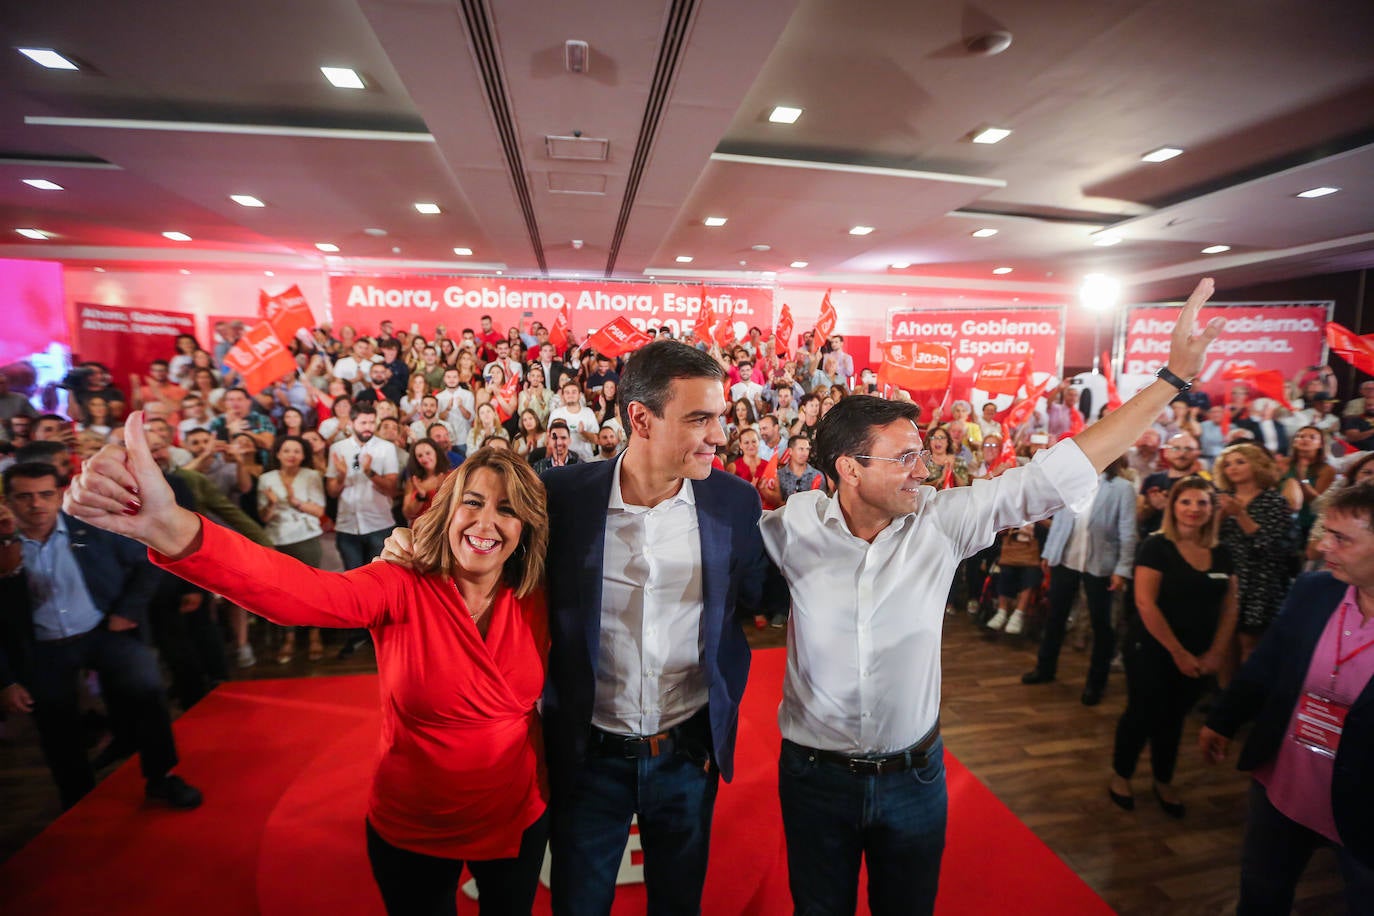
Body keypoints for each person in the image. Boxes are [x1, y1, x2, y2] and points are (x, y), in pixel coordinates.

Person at [757, 278, 1222, 915]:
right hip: (813, 778)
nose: (922, 469)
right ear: (847, 468)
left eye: (922, 454)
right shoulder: (792, 526)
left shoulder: (943, 521)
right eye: (904, 458)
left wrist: (1173, 380)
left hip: (914, 779)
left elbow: (1059, 472)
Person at [65, 426, 552, 915]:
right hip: (415, 822)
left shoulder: (541, 596)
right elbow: (301, 592)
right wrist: (169, 526)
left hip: (515, 812)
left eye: (507, 509)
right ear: (447, 509)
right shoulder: (400, 582)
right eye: (473, 502)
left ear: (525, 526)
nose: (486, 523)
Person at [386, 341, 774, 914]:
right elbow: (484, 547)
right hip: (588, 756)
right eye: (700, 418)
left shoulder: (734, 502)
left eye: (720, 417)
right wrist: (415, 551)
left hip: (689, 753)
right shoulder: (559, 497)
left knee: (679, 903)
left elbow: (757, 599)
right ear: (639, 417)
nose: (720, 435)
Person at [1200, 483, 1374, 914]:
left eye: (1341, 538)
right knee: (1261, 891)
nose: (1322, 545)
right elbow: (1268, 662)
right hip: (1285, 782)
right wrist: (1223, 719)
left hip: (1364, 806)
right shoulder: (1316, 590)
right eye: (1325, 531)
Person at [0, 462, 202, 811]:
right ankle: (76, 801)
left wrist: (128, 610)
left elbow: (146, 562)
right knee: (56, 725)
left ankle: (162, 777)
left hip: (102, 631)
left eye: (46, 494)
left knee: (148, 688)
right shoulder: (4, 547)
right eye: (25, 497)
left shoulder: (92, 528)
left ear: (61, 493)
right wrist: (5, 680)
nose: (36, 505)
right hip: (42, 648)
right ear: (9, 501)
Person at [1110, 477, 1237, 816]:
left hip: (1199, 652)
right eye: (1186, 502)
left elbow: (1230, 606)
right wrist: (1178, 653)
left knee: (1174, 719)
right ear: (1173, 506)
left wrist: (1216, 653)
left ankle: (1163, 780)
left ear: (1212, 509)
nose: (1194, 509)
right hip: (1151, 648)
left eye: (1202, 503)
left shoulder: (1222, 552)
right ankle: (1121, 776)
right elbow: (1145, 604)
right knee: (1142, 713)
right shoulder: (1157, 546)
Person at [1023, 455, 1139, 705]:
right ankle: (1045, 668)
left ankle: (1095, 684)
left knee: (1101, 625)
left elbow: (1128, 532)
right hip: (1066, 559)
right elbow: (1061, 522)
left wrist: (1122, 569)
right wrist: (1049, 553)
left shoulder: (1122, 488)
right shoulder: (1073, 482)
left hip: (1101, 565)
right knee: (1055, 616)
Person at [326, 403, 400, 658]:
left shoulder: (386, 448)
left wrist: (368, 471)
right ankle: (358, 633)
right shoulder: (337, 449)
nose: (368, 428)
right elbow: (332, 492)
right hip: (347, 525)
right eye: (363, 423)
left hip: (379, 523)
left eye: (371, 423)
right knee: (353, 582)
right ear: (352, 423)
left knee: (383, 581)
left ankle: (384, 632)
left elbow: (392, 489)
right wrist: (340, 476)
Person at [1214, 443, 1296, 660]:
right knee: (1223, 643)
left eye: (1240, 462)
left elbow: (1271, 546)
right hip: (1227, 577)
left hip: (1261, 580)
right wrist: (1219, 516)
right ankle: (1226, 692)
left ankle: (1249, 691)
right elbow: (1208, 541)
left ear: (1257, 465)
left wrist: (1240, 515)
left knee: (1251, 644)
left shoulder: (1274, 501)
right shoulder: (1219, 499)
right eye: (1228, 464)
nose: (1233, 468)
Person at [257, 436, 329, 664]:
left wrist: (294, 500)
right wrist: (272, 503)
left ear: (303, 455)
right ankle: (289, 638)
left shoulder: (312, 476)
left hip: (306, 536)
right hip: (276, 539)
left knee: (313, 588)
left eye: (297, 451)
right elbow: (263, 517)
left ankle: (315, 635)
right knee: (283, 591)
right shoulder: (266, 478)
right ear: (277, 454)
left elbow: (319, 511)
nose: (291, 455)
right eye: (286, 450)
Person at [402, 438, 450, 523]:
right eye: (420, 456)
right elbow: (407, 514)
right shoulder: (413, 482)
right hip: (421, 528)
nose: (424, 458)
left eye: (428, 453)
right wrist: (421, 496)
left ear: (436, 453)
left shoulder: (451, 475)